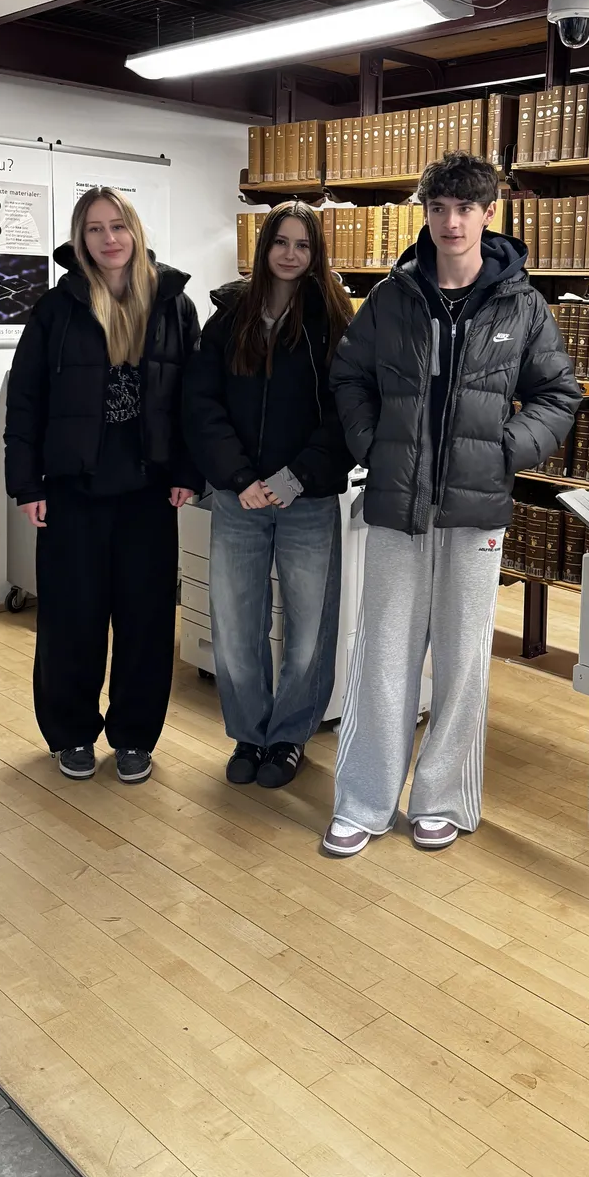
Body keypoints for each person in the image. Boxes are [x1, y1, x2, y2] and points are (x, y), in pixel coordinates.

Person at [323, 151, 580, 856]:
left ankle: (440, 798)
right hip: (396, 507)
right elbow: (349, 376)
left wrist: (504, 450)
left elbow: (559, 395)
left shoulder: (521, 305)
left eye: (466, 208)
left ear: (489, 213)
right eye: (439, 208)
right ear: (427, 214)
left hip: (475, 513)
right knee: (383, 655)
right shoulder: (393, 297)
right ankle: (364, 801)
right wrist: (372, 444)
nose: (451, 222)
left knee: (463, 662)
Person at [4, 187, 202, 785]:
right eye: (94, 229)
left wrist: (187, 472)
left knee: (146, 623)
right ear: (80, 238)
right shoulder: (56, 308)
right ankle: (71, 733)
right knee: (71, 621)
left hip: (149, 493)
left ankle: (136, 737)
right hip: (72, 492)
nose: (108, 239)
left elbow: (194, 398)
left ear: (135, 231)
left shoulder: (173, 304)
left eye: (118, 226)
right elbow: (26, 401)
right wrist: (26, 485)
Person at [184, 201, 355, 789]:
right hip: (239, 499)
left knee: (309, 630)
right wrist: (239, 479)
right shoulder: (228, 318)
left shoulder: (334, 322)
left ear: (316, 253)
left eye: (303, 245)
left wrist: (294, 478)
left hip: (306, 498)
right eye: (280, 242)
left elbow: (347, 413)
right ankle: (248, 735)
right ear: (263, 249)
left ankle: (287, 739)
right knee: (236, 626)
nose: (290, 254)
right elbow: (201, 405)